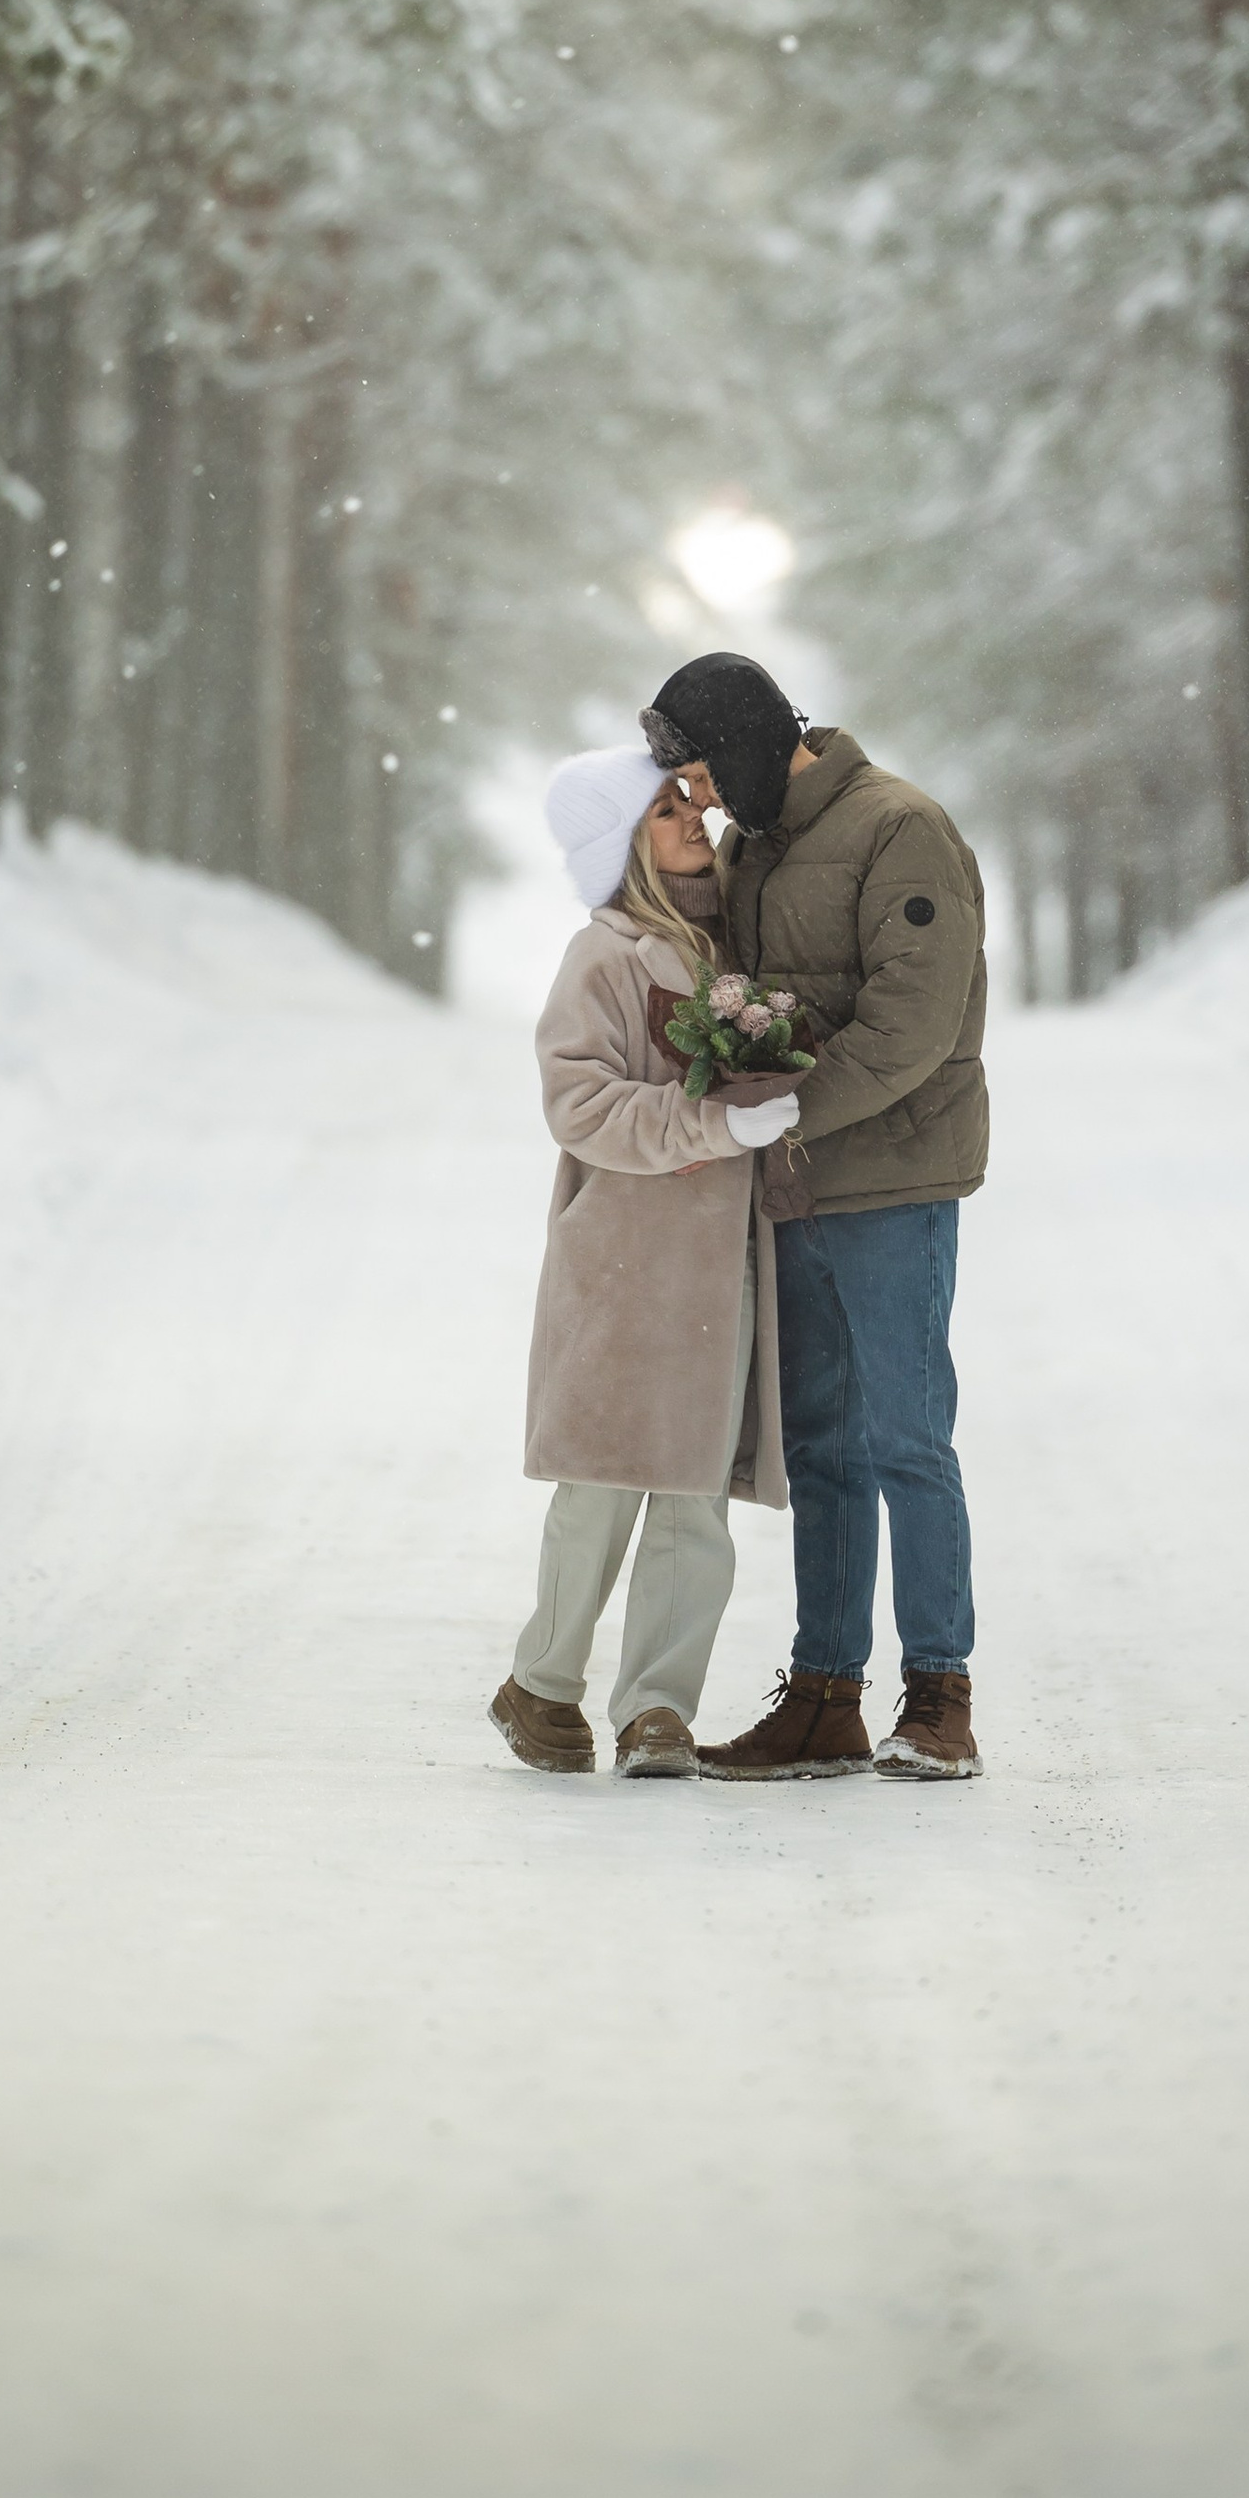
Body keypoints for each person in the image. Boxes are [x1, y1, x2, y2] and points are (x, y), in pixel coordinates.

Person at [638, 652, 989, 1785]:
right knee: (820, 1449)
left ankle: (938, 1695)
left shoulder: (901, 829)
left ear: (745, 738)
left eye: (702, 770)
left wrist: (784, 1105)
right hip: (791, 1185)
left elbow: (913, 1023)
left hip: (892, 1181)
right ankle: (825, 1696)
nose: (706, 800)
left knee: (906, 1440)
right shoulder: (752, 845)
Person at [490, 743, 800, 1781]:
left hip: (719, 1272)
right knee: (604, 1482)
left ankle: (658, 1709)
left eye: (689, 805)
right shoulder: (608, 954)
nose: (692, 820)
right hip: (624, 1265)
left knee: (694, 1498)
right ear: (619, 842)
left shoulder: (733, 950)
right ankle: (542, 1680)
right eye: (666, 809)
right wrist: (709, 1120)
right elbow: (578, 1104)